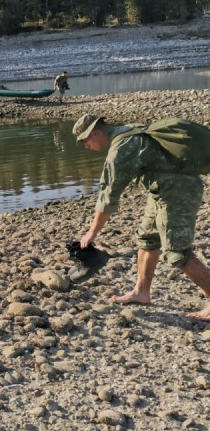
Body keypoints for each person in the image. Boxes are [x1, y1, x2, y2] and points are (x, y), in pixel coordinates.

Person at [73, 114, 210, 321]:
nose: (85, 146)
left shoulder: (121, 149)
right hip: (160, 190)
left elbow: (108, 198)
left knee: (177, 251)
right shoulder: (129, 130)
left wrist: (92, 233)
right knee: (147, 239)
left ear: (95, 133)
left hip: (179, 192)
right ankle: (141, 292)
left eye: (85, 141)